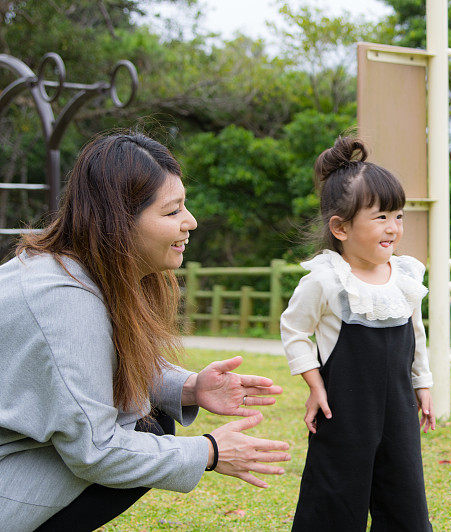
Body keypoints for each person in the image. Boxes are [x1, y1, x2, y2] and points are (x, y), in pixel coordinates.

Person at [0, 132, 291, 531]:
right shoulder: (64, 303)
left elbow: (90, 364)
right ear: (117, 222)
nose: (191, 221)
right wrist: (210, 451)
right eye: (172, 212)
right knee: (144, 434)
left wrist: (189, 388)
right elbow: (96, 451)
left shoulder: (68, 267)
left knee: (152, 423)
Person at [280, 136, 435, 531]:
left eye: (398, 216)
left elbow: (415, 334)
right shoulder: (327, 279)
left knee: (404, 495)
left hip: (399, 409)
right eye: (381, 217)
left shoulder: (405, 275)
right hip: (344, 413)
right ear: (341, 228)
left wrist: (424, 386)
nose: (393, 228)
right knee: (335, 499)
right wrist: (315, 385)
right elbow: (294, 330)